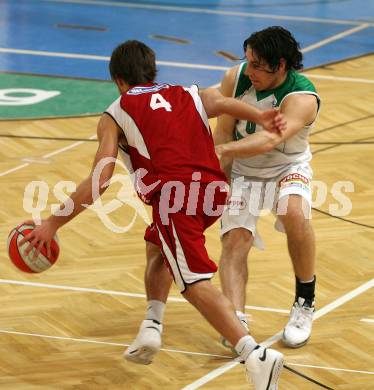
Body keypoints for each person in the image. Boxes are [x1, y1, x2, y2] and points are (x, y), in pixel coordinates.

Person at [20, 40, 286, 389]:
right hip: (215, 190)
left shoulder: (115, 112)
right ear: (153, 69)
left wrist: (53, 223)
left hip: (176, 196)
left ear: (117, 79)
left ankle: (254, 354)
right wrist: (259, 115)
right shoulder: (185, 92)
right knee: (158, 244)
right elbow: (219, 102)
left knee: (192, 282)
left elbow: (100, 179)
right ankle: (152, 326)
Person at [215, 26, 320, 349]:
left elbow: (270, 139)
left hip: (287, 168)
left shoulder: (301, 97)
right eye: (248, 61)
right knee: (235, 239)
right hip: (244, 170)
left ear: (282, 65)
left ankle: (305, 301)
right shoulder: (235, 78)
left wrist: (225, 151)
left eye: (259, 65)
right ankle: (236, 320)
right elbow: (223, 130)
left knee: (293, 211)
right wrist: (219, 177)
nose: (250, 70)